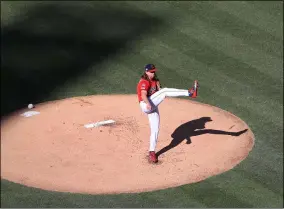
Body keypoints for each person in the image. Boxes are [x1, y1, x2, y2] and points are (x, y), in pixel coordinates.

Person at [136, 64, 199, 164]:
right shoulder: (144, 81)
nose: (153, 73)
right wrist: (148, 104)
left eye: (154, 71)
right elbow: (143, 95)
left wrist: (188, 139)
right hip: (145, 104)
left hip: (153, 106)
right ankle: (190, 93)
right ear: (146, 72)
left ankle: (151, 152)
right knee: (165, 91)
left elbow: (159, 93)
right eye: (151, 72)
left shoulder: (155, 81)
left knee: (155, 130)